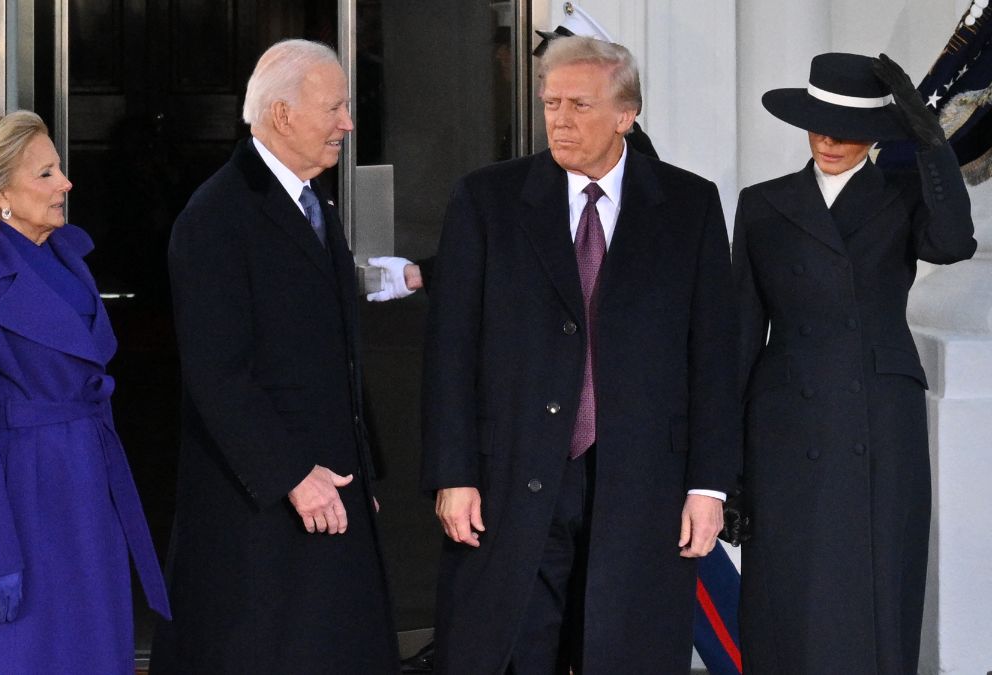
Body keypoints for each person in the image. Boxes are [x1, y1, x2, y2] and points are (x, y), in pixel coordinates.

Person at [421, 36, 740, 674]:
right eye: (550, 104)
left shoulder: (689, 204)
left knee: (624, 649)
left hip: (644, 482)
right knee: (512, 650)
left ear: (627, 114)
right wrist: (453, 474)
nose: (560, 120)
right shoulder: (486, 201)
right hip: (512, 477)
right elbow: (450, 350)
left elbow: (713, 356)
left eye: (579, 105)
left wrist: (709, 485)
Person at [150, 39, 399, 674]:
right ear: (284, 114)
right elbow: (218, 374)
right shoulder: (216, 218)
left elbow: (337, 350)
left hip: (330, 488)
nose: (348, 122)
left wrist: (361, 466)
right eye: (335, 107)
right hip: (263, 507)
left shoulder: (314, 204)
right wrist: (292, 474)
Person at [734, 53, 977, 675]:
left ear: (874, 136)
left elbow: (953, 244)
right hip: (786, 420)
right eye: (819, 125)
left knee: (875, 584)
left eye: (845, 128)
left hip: (879, 414)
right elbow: (738, 339)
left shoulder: (899, 198)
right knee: (791, 590)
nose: (830, 141)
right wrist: (724, 468)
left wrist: (931, 143)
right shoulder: (763, 204)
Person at [0, 111, 170, 674]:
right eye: (46, 174)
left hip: (87, 485)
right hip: (25, 502)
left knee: (95, 650)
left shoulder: (66, 259)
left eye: (58, 169)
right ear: (0, 192)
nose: (66, 183)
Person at [364, 4, 659, 302]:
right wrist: (421, 273)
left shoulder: (635, 161)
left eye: (580, 101)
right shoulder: (522, 151)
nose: (544, 76)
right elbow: (509, 234)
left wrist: (421, 273)